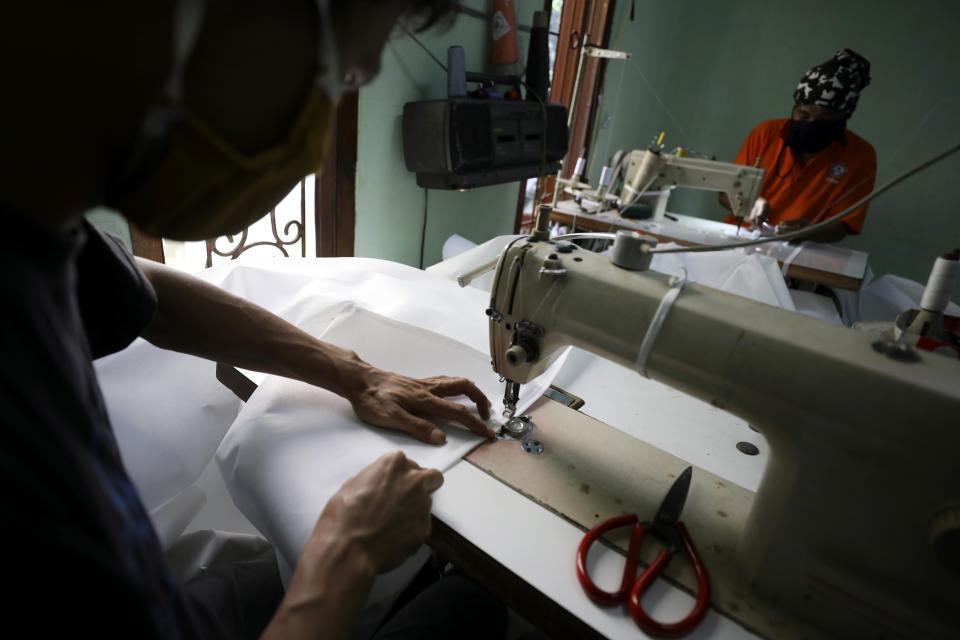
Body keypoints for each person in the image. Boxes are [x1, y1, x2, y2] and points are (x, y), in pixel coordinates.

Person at [0, 1, 506, 638]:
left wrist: (354, 374)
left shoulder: (37, 227)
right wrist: (343, 557)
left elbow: (147, 294)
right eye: (334, 80)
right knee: (471, 609)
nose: (317, 143)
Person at [720, 49, 877, 243]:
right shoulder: (766, 133)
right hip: (740, 235)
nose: (811, 124)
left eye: (824, 120)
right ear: (794, 108)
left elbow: (844, 224)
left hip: (800, 251)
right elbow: (726, 193)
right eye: (803, 115)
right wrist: (750, 203)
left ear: (844, 118)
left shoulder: (860, 156)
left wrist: (809, 231)